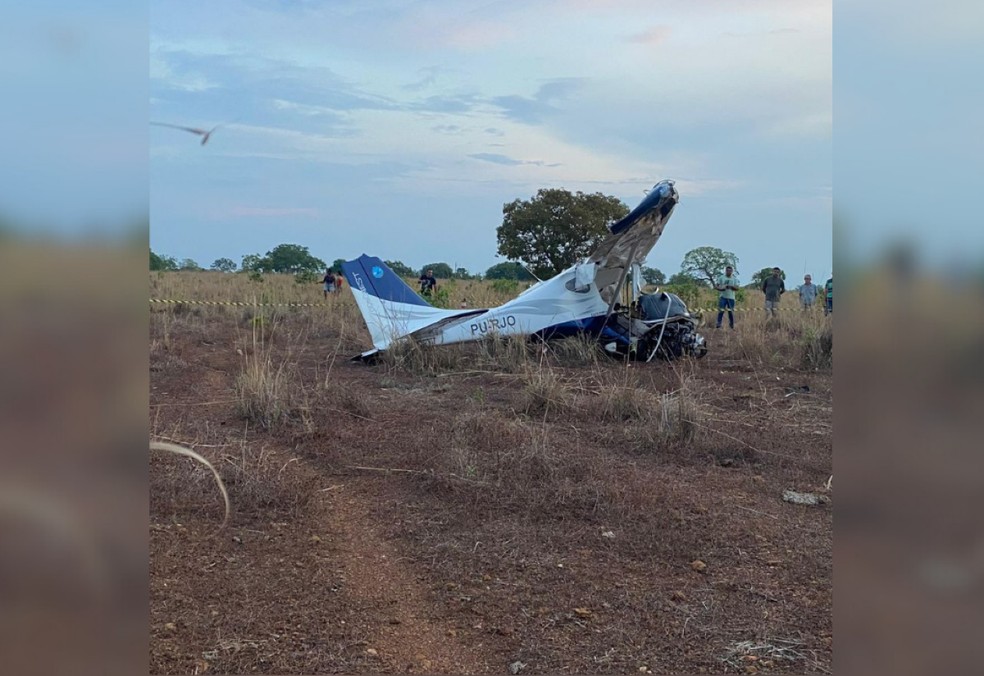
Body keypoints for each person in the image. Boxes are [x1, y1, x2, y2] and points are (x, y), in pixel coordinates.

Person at [714, 265, 740, 329]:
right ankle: (718, 325)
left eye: (730, 271)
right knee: (721, 311)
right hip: (723, 297)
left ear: (732, 271)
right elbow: (716, 286)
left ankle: (731, 326)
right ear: (725, 271)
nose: (729, 272)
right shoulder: (721, 277)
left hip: (731, 298)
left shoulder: (734, 279)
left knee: (730, 312)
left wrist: (731, 286)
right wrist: (721, 289)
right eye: (727, 271)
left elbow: (737, 288)